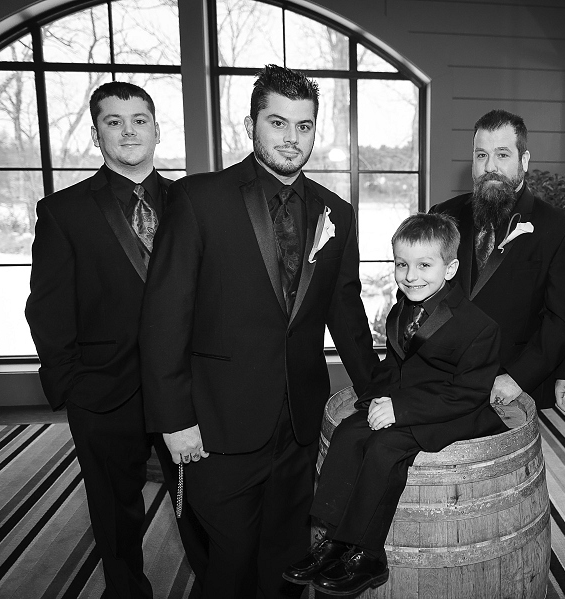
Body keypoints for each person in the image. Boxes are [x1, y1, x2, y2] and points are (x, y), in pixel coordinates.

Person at [138, 65, 378, 599]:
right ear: (251, 125)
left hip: (298, 422)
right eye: (278, 122)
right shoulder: (199, 199)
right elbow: (163, 318)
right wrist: (174, 420)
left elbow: (346, 311)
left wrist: (379, 389)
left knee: (287, 559)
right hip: (217, 424)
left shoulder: (334, 211)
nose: (292, 138)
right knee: (228, 562)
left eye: (305, 126)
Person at [25, 81, 208, 598]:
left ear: (156, 128)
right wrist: (72, 386)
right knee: (114, 512)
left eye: (139, 120)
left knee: (200, 503)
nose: (128, 131)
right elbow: (48, 307)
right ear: (95, 133)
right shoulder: (64, 212)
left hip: (187, 389)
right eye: (113, 121)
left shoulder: (194, 202)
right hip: (103, 393)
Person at [282, 212, 508, 596]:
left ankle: (368, 553)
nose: (410, 275)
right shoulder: (402, 309)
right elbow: (396, 365)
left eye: (424, 265)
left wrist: (400, 412)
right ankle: (335, 540)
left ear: (450, 268)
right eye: (402, 264)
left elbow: (468, 393)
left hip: (456, 412)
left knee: (387, 447)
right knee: (350, 432)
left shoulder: (480, 326)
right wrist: (374, 399)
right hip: (410, 398)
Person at [430, 109, 565, 409]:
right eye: (481, 156)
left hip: (514, 390)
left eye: (502, 155)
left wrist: (516, 378)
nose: (490, 167)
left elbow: (562, 321)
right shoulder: (443, 215)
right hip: (444, 382)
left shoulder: (562, 228)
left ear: (523, 161)